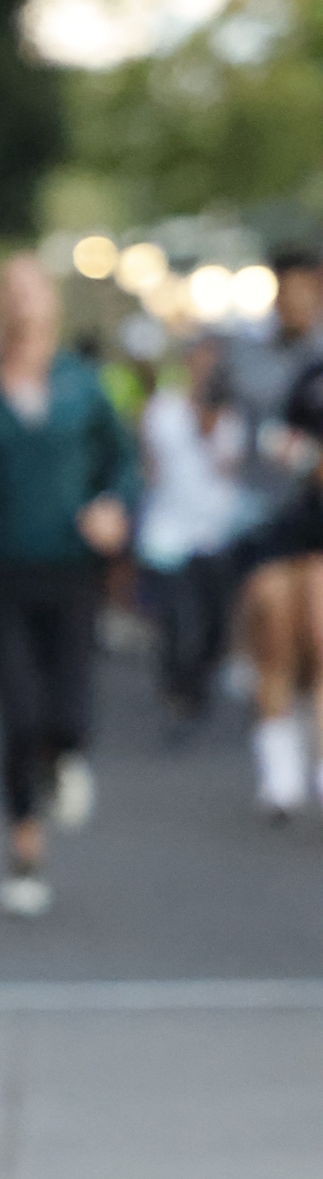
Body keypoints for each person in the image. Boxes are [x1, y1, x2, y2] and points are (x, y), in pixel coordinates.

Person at [0, 253, 133, 917]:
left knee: (68, 708)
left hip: (69, 564)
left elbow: (121, 463)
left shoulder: (82, 386)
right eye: (9, 290)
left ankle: (61, 755)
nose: (21, 302)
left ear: (52, 302)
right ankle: (24, 842)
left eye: (32, 289)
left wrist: (114, 506)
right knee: (18, 709)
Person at [230, 247, 323, 815]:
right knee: (274, 626)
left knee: (317, 625)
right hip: (269, 513)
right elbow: (261, 435)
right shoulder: (249, 355)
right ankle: (278, 763)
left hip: (314, 520)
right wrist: (308, 459)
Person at [135, 333, 250, 735]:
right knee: (179, 618)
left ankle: (197, 683)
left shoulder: (231, 414)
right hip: (168, 533)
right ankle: (177, 685)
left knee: (215, 623)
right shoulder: (162, 409)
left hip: (216, 533)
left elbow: (233, 466)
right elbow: (148, 464)